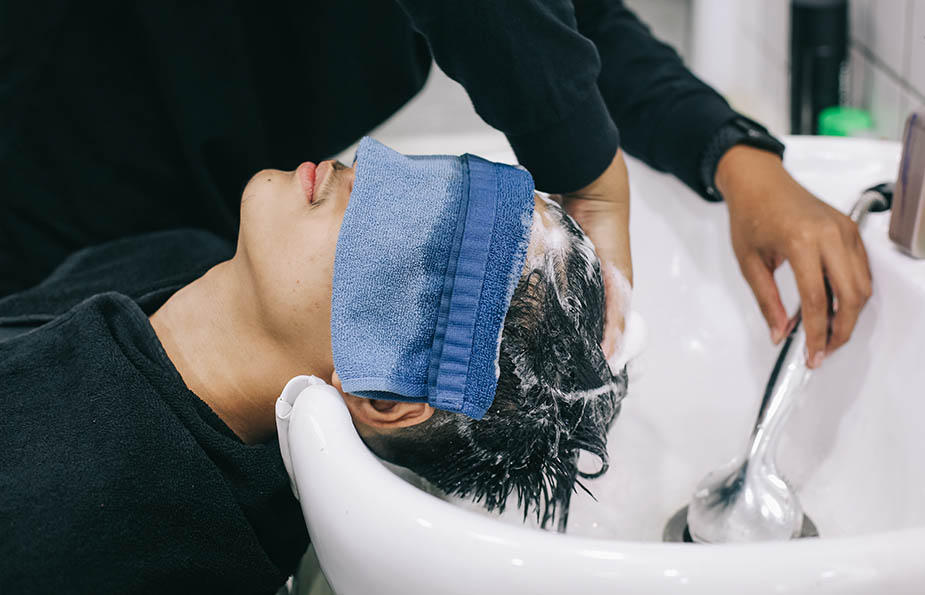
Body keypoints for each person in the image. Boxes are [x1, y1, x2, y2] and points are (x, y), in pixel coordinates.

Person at [0, 0, 868, 367]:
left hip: (196, 199)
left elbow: (567, 7)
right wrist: (589, 179)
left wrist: (733, 154)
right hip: (47, 165)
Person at [0, 148, 626, 593]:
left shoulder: (83, 541)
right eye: (425, 174)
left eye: (413, 226)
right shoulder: (177, 256)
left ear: (385, 393)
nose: (362, 171)